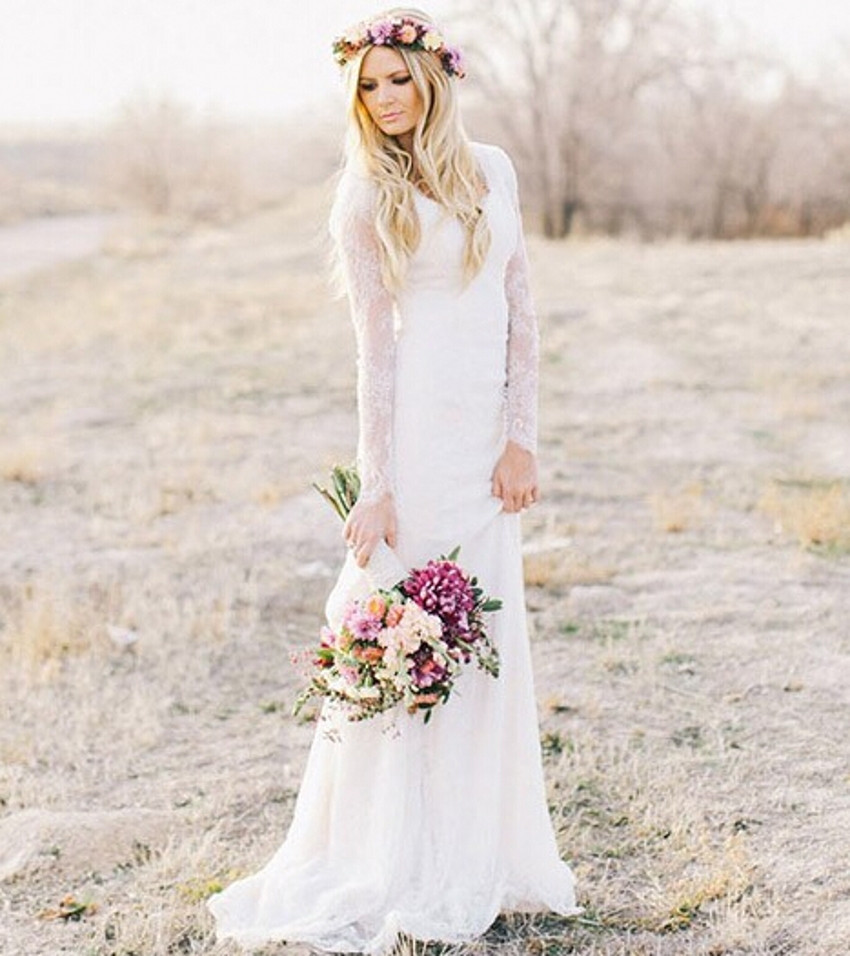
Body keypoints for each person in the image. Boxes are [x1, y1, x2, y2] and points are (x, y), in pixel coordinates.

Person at [207, 8, 580, 952]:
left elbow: (521, 311)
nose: (386, 99)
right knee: (407, 636)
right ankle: (392, 853)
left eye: (398, 80)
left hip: (484, 451)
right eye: (369, 86)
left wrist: (521, 438)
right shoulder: (362, 195)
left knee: (485, 633)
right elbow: (375, 351)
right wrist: (377, 486)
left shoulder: (492, 169)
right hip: (414, 449)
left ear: (432, 79)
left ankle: (480, 849)